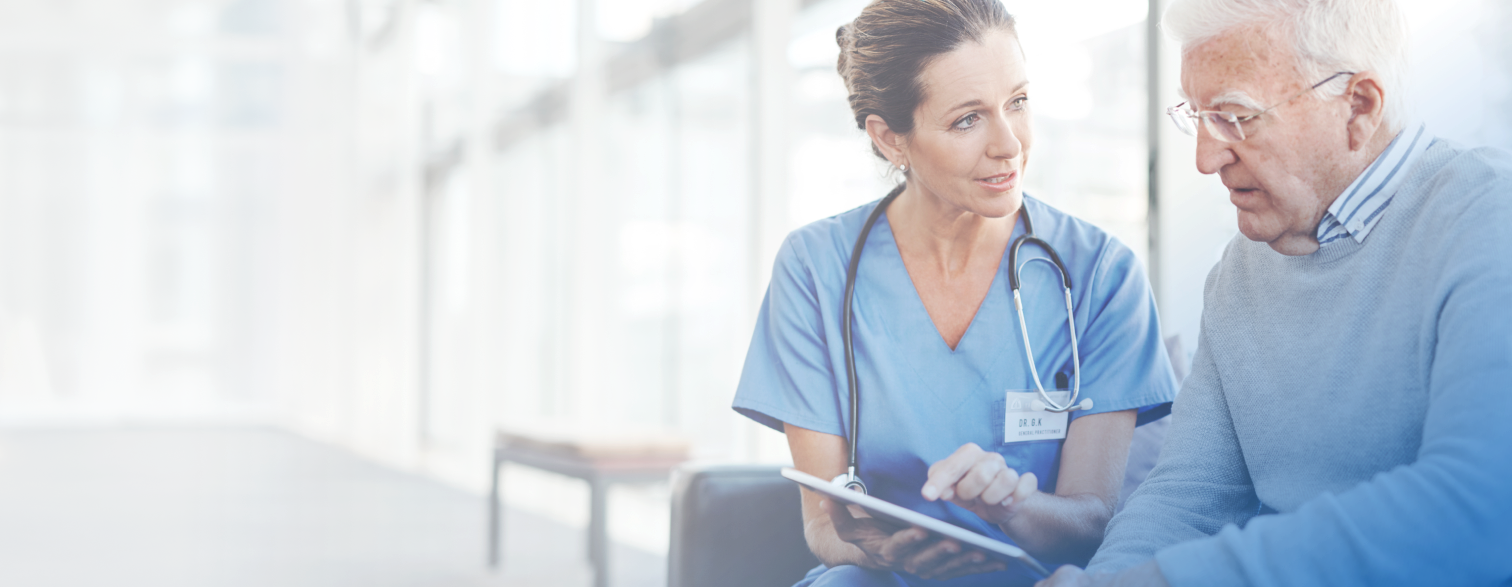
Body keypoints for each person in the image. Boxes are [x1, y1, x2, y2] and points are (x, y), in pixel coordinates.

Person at [1037, 0, 1512, 586]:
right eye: (1198, 116)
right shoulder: (1239, 273)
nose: (1205, 158)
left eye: (1235, 117)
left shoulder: (1489, 217)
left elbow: (1480, 509)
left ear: (1357, 106)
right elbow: (1187, 497)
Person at [731, 1, 1179, 585]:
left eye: (1017, 102)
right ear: (892, 139)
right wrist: (877, 550)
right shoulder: (816, 268)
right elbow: (824, 524)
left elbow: (1091, 523)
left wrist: (1010, 508)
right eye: (968, 120)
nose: (1009, 144)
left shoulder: (1100, 274)